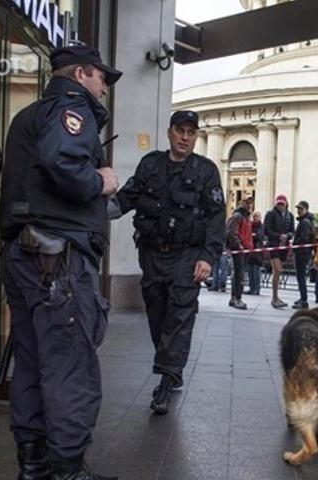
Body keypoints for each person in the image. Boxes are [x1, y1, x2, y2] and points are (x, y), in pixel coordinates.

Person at [0, 43, 121, 480]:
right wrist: (99, 181)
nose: (105, 87)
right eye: (103, 77)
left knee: (31, 364)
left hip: (27, 256)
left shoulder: (28, 116)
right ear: (82, 74)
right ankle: (67, 471)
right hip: (58, 262)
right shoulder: (73, 109)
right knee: (70, 366)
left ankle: (34, 467)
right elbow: (63, 164)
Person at [111, 110, 225, 415]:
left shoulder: (206, 171)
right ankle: (172, 368)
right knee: (158, 318)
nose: (185, 137)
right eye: (181, 131)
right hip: (152, 255)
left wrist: (208, 257)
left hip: (187, 257)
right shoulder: (150, 165)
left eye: (191, 132)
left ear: (196, 136)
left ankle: (165, 382)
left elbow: (216, 218)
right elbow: (127, 198)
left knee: (179, 318)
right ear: (170, 132)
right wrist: (91, 211)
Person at [264, 195, 295, 308]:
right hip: (274, 245)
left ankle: (276, 297)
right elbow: (266, 230)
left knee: (277, 272)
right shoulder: (270, 214)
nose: (281, 206)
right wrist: (279, 236)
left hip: (284, 246)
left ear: (286, 204)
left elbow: (292, 230)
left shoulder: (290, 216)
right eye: (279, 204)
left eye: (282, 204)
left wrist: (288, 236)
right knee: (277, 269)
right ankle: (274, 297)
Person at [225, 198, 254, 310]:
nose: (249, 205)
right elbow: (231, 232)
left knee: (237, 274)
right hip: (239, 250)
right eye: (247, 202)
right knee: (239, 275)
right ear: (242, 203)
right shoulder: (238, 216)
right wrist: (238, 245)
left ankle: (234, 297)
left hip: (244, 250)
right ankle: (238, 298)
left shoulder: (245, 217)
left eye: (251, 203)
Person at [292, 200, 316, 309]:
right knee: (300, 277)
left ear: (306, 209)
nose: (298, 211)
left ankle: (304, 300)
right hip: (303, 253)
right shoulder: (306, 221)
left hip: (302, 253)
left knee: (301, 277)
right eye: (298, 209)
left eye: (301, 209)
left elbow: (304, 238)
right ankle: (302, 298)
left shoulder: (305, 222)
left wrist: (295, 243)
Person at [246, 211, 264, 295]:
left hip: (257, 252)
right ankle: (251, 288)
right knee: (250, 271)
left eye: (257, 216)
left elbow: (259, 236)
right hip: (250, 251)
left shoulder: (261, 226)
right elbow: (247, 235)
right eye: (254, 216)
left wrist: (253, 235)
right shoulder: (250, 225)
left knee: (256, 272)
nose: (255, 218)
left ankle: (256, 289)